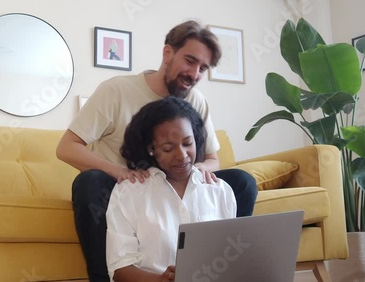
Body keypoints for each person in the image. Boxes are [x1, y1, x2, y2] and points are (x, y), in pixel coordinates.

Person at [56, 19, 257, 282]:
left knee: (242, 182)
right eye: (189, 61)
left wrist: (194, 169)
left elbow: (212, 159)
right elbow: (66, 148)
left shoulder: (197, 101)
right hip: (125, 189)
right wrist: (118, 172)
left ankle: (224, 272)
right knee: (89, 182)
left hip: (175, 186)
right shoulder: (116, 90)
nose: (195, 74)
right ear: (167, 53)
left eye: (202, 68)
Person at [106, 96, 236, 282]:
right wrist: (161, 280)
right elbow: (119, 269)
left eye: (187, 143)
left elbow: (231, 259)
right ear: (150, 149)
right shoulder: (129, 192)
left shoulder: (220, 191)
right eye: (168, 148)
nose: (182, 156)